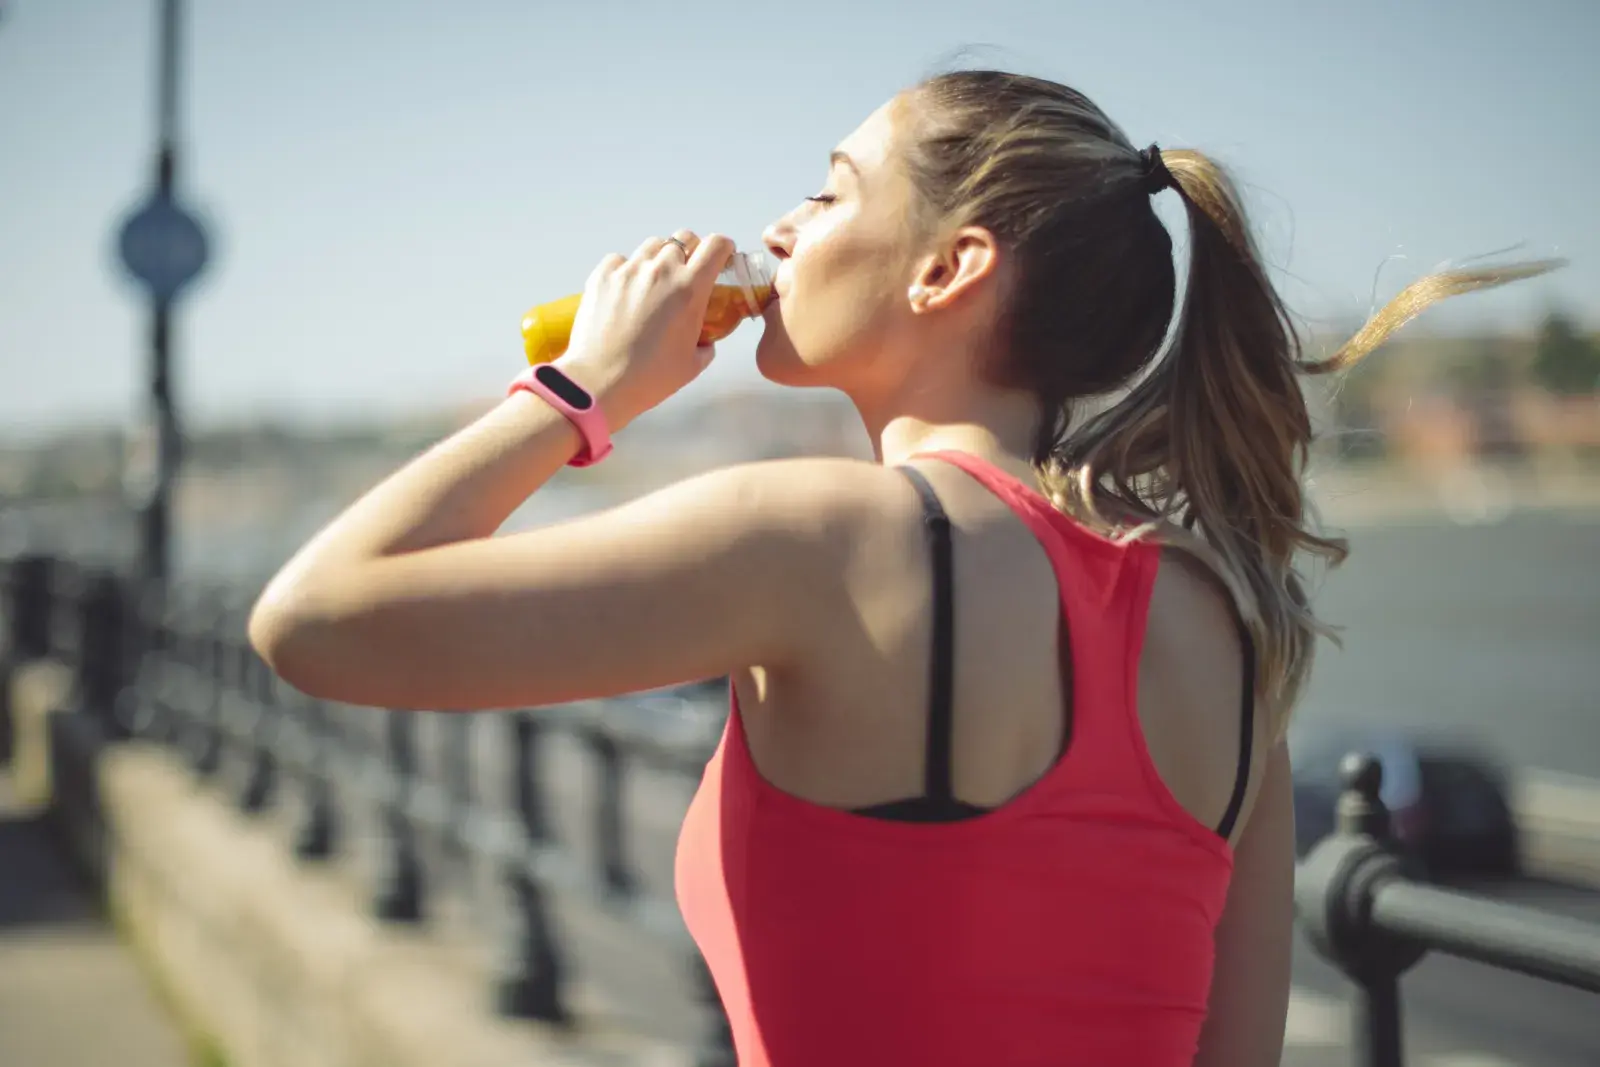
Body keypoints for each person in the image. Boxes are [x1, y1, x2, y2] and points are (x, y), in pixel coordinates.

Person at [249, 69, 1554, 1067]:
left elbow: (313, 620)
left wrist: (582, 386)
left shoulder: (820, 542)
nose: (779, 223)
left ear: (949, 267)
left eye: (827, 191)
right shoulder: (1227, 616)